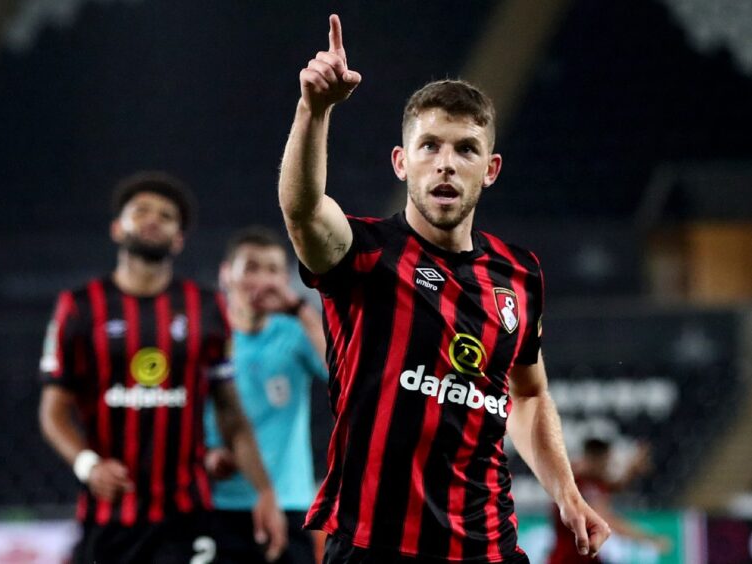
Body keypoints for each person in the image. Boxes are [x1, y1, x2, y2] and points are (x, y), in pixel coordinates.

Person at [276, 14, 612, 564]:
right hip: (372, 544)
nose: (446, 164)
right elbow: (303, 210)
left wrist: (566, 491)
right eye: (429, 146)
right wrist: (314, 109)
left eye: (465, 149)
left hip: (486, 546)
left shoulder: (519, 274)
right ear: (401, 162)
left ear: (491, 169)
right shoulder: (363, 253)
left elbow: (526, 394)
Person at [38, 172, 287, 564]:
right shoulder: (79, 307)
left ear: (179, 239)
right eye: (141, 211)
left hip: (185, 516)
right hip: (108, 519)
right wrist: (89, 466)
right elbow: (53, 411)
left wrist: (266, 493)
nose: (153, 219)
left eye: (167, 216)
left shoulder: (206, 308)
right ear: (118, 228)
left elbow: (230, 413)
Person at [203, 226, 329, 563]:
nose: (262, 280)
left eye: (273, 270)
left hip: (289, 504)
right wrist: (207, 455)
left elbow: (344, 374)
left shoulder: (295, 333)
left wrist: (299, 309)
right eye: (252, 268)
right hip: (217, 505)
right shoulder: (206, 339)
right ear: (226, 274)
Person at [548, 439, 670, 564]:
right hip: (570, 559)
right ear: (596, 459)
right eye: (605, 462)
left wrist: (632, 469)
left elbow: (614, 484)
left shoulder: (588, 481)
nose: (607, 467)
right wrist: (649, 538)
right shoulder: (582, 485)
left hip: (582, 557)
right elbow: (606, 520)